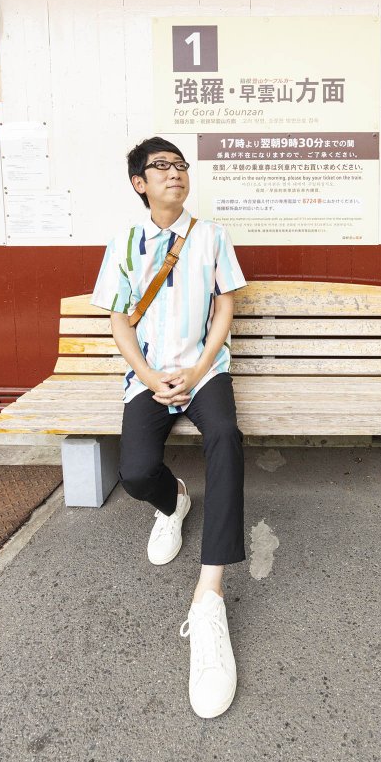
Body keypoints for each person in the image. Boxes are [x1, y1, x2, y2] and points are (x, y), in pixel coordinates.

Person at [91, 136, 247, 719]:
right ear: (140, 183)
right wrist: (152, 377)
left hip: (205, 373)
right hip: (151, 376)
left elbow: (226, 306)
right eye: (161, 168)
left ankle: (210, 594)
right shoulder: (126, 243)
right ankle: (173, 501)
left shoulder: (209, 235)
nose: (174, 174)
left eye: (180, 166)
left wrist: (201, 368)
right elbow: (119, 321)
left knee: (227, 440)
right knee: (134, 473)